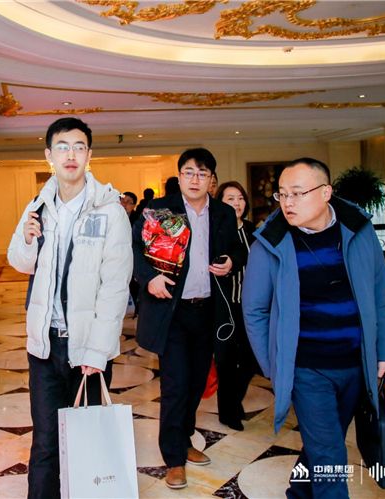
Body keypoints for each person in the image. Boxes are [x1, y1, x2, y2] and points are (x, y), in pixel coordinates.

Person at [242, 158, 385, 498]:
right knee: (330, 455)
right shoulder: (270, 242)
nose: (288, 202)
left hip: (355, 364)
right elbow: (254, 310)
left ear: (326, 192)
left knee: (324, 443)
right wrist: (275, 365)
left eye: (297, 193)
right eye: (282, 194)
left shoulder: (358, 230)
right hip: (307, 369)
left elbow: (381, 296)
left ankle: (298, 493)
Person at [7, 117, 133, 498]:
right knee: (45, 443)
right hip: (44, 347)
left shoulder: (109, 211)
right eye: (62, 147)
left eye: (79, 147)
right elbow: (19, 262)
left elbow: (115, 288)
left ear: (89, 155)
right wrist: (27, 240)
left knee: (87, 446)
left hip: (88, 350)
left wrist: (97, 351)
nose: (71, 155)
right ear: (49, 155)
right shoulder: (38, 206)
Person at [132, 147, 243, 489]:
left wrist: (231, 262)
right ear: (179, 176)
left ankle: (183, 438)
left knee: (197, 383)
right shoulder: (160, 210)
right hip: (173, 312)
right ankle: (174, 458)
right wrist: (149, 278)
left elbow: (238, 248)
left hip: (207, 311)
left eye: (202, 173)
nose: (195, 179)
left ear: (212, 180)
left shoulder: (223, 213)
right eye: (189, 172)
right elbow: (133, 250)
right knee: (176, 385)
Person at [214, 181, 259, 431]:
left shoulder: (254, 231)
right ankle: (228, 411)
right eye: (230, 198)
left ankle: (233, 400)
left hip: (251, 307)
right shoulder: (216, 232)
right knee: (226, 362)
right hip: (225, 306)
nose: (236, 203)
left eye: (240, 198)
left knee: (252, 360)